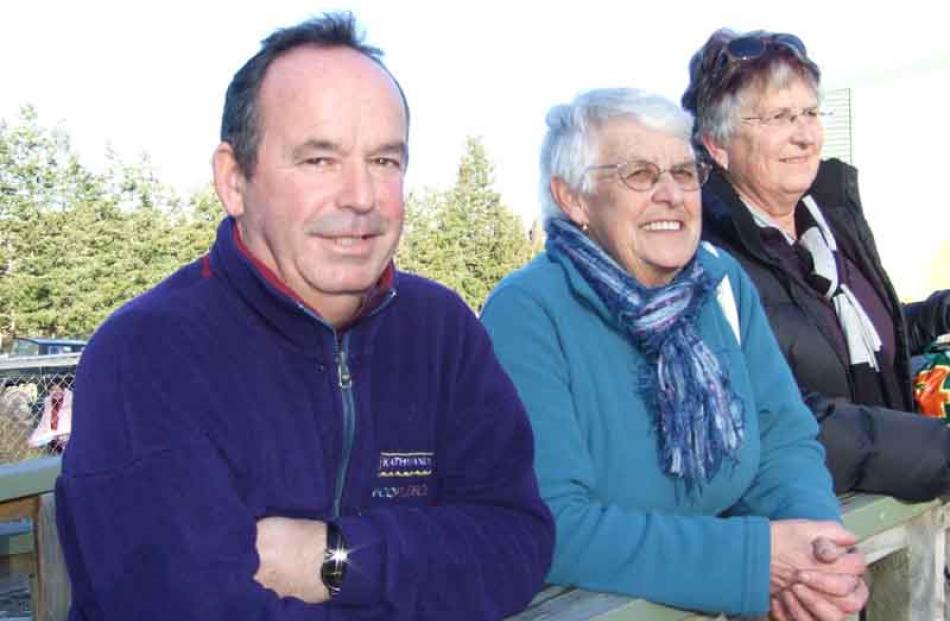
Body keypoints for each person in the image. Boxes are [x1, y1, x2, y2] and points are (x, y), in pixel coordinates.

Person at [55, 13, 553, 621]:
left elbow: (515, 545)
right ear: (235, 180)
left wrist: (333, 557)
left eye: (385, 161)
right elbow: (190, 605)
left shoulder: (441, 332)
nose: (361, 197)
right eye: (319, 160)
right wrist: (429, 571)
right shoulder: (148, 356)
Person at [481, 88, 868, 620]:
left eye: (685, 172)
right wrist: (754, 562)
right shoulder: (525, 312)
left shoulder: (721, 282)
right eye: (640, 174)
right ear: (573, 197)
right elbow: (555, 524)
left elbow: (782, 438)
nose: (672, 194)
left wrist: (816, 551)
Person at [682, 28, 950, 501]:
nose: (804, 135)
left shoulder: (829, 229)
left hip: (887, 517)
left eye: (809, 112)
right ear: (717, 143)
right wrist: (939, 451)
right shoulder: (702, 262)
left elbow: (851, 347)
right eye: (780, 117)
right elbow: (779, 417)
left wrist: (940, 312)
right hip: (804, 542)